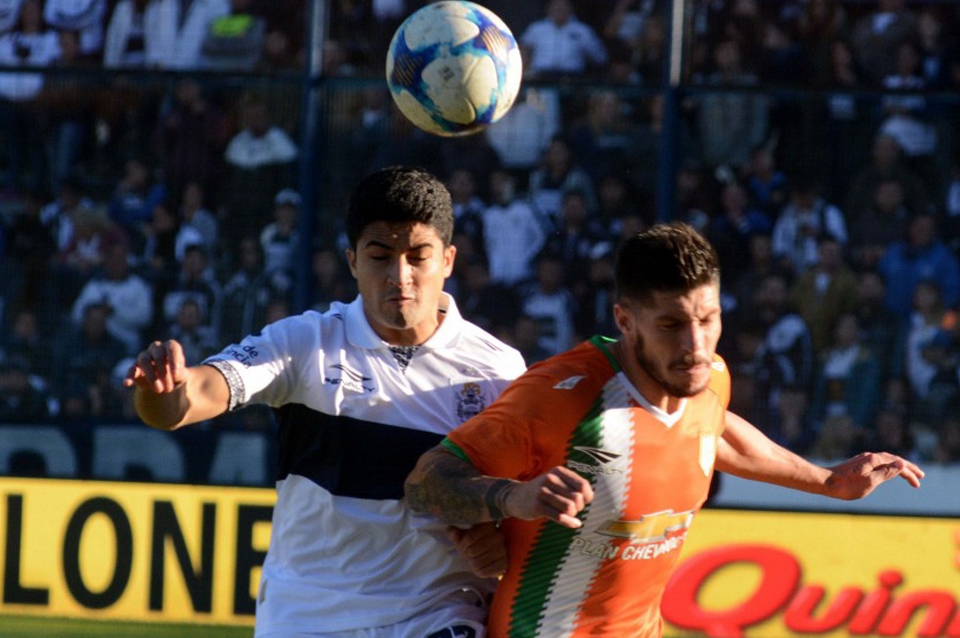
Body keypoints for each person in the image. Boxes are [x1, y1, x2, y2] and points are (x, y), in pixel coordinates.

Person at [405, 222, 923, 638]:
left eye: (708, 319)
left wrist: (828, 481)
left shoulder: (708, 376)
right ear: (625, 321)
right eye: (671, 325)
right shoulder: (560, 396)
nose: (695, 346)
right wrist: (512, 498)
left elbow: (715, 430)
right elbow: (426, 482)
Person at [124, 166, 527, 637]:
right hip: (308, 618)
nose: (401, 276)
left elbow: (518, 501)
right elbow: (188, 400)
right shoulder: (304, 343)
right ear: (352, 261)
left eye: (418, 257)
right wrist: (164, 389)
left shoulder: (499, 371)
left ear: (449, 259)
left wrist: (497, 541)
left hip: (438, 615)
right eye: (380, 257)